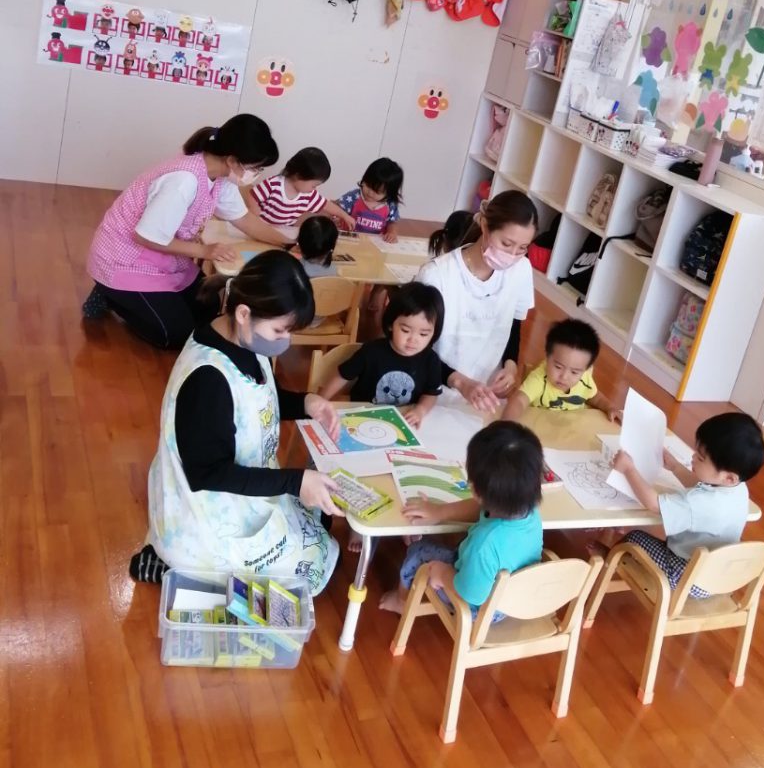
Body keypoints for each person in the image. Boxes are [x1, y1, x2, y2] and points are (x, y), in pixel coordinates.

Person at [130, 251, 342, 591]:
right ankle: (170, 562)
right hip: (206, 509)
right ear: (244, 313)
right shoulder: (207, 380)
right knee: (311, 569)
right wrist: (294, 481)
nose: (285, 342)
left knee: (321, 527)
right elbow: (208, 473)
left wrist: (307, 402)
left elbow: (258, 399)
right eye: (280, 330)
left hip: (239, 489)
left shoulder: (241, 336)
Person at [83, 115, 287, 350]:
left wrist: (287, 243)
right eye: (255, 168)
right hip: (123, 260)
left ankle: (127, 297)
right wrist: (205, 251)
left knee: (210, 306)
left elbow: (243, 219)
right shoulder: (184, 180)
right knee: (175, 334)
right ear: (232, 160)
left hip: (162, 258)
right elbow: (146, 236)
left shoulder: (221, 177)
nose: (257, 174)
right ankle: (108, 294)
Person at [379, 420, 544, 616]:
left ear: (475, 490)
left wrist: (443, 573)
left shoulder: (484, 544)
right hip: (516, 600)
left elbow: (471, 594)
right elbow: (481, 507)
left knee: (418, 551)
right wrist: (439, 512)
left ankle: (401, 602)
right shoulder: (528, 510)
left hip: (481, 609)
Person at [609, 412, 764, 598]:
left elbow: (654, 504)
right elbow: (701, 486)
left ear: (729, 477)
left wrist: (629, 469)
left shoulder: (697, 503)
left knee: (634, 537)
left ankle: (607, 560)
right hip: (719, 576)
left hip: (686, 577)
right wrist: (675, 467)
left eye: (700, 458)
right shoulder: (738, 489)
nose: (693, 457)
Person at [418, 190, 537, 413]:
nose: (512, 255)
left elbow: (513, 324)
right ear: (485, 226)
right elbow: (416, 348)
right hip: (431, 396)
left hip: (487, 399)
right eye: (506, 243)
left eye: (522, 248)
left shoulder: (521, 270)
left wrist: (511, 365)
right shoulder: (437, 275)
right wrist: (460, 382)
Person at [318, 282, 444, 428]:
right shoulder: (371, 351)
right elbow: (343, 375)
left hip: (401, 420)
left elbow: (431, 393)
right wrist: (321, 401)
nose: (413, 340)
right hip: (361, 417)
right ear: (391, 324)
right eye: (405, 330)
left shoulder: (431, 360)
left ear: (434, 333)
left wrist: (420, 410)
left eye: (423, 334)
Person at [503, 318, 618, 420]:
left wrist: (610, 408)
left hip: (572, 431)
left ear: (586, 369)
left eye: (574, 372)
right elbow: (518, 401)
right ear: (547, 357)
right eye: (558, 367)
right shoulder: (539, 379)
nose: (564, 376)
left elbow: (595, 397)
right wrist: (505, 426)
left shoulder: (585, 379)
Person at [246, 146, 354, 238]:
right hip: (261, 229)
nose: (314, 189)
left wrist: (345, 216)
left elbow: (325, 204)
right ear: (298, 175)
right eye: (313, 185)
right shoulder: (274, 184)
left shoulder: (308, 195)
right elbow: (252, 196)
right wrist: (255, 213)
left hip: (284, 232)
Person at [337, 157, 403, 242]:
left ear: (389, 193)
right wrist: (337, 218)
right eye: (368, 186)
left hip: (376, 242)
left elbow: (392, 222)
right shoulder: (354, 196)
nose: (370, 193)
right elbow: (337, 206)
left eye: (377, 192)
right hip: (351, 239)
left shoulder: (390, 204)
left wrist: (392, 232)